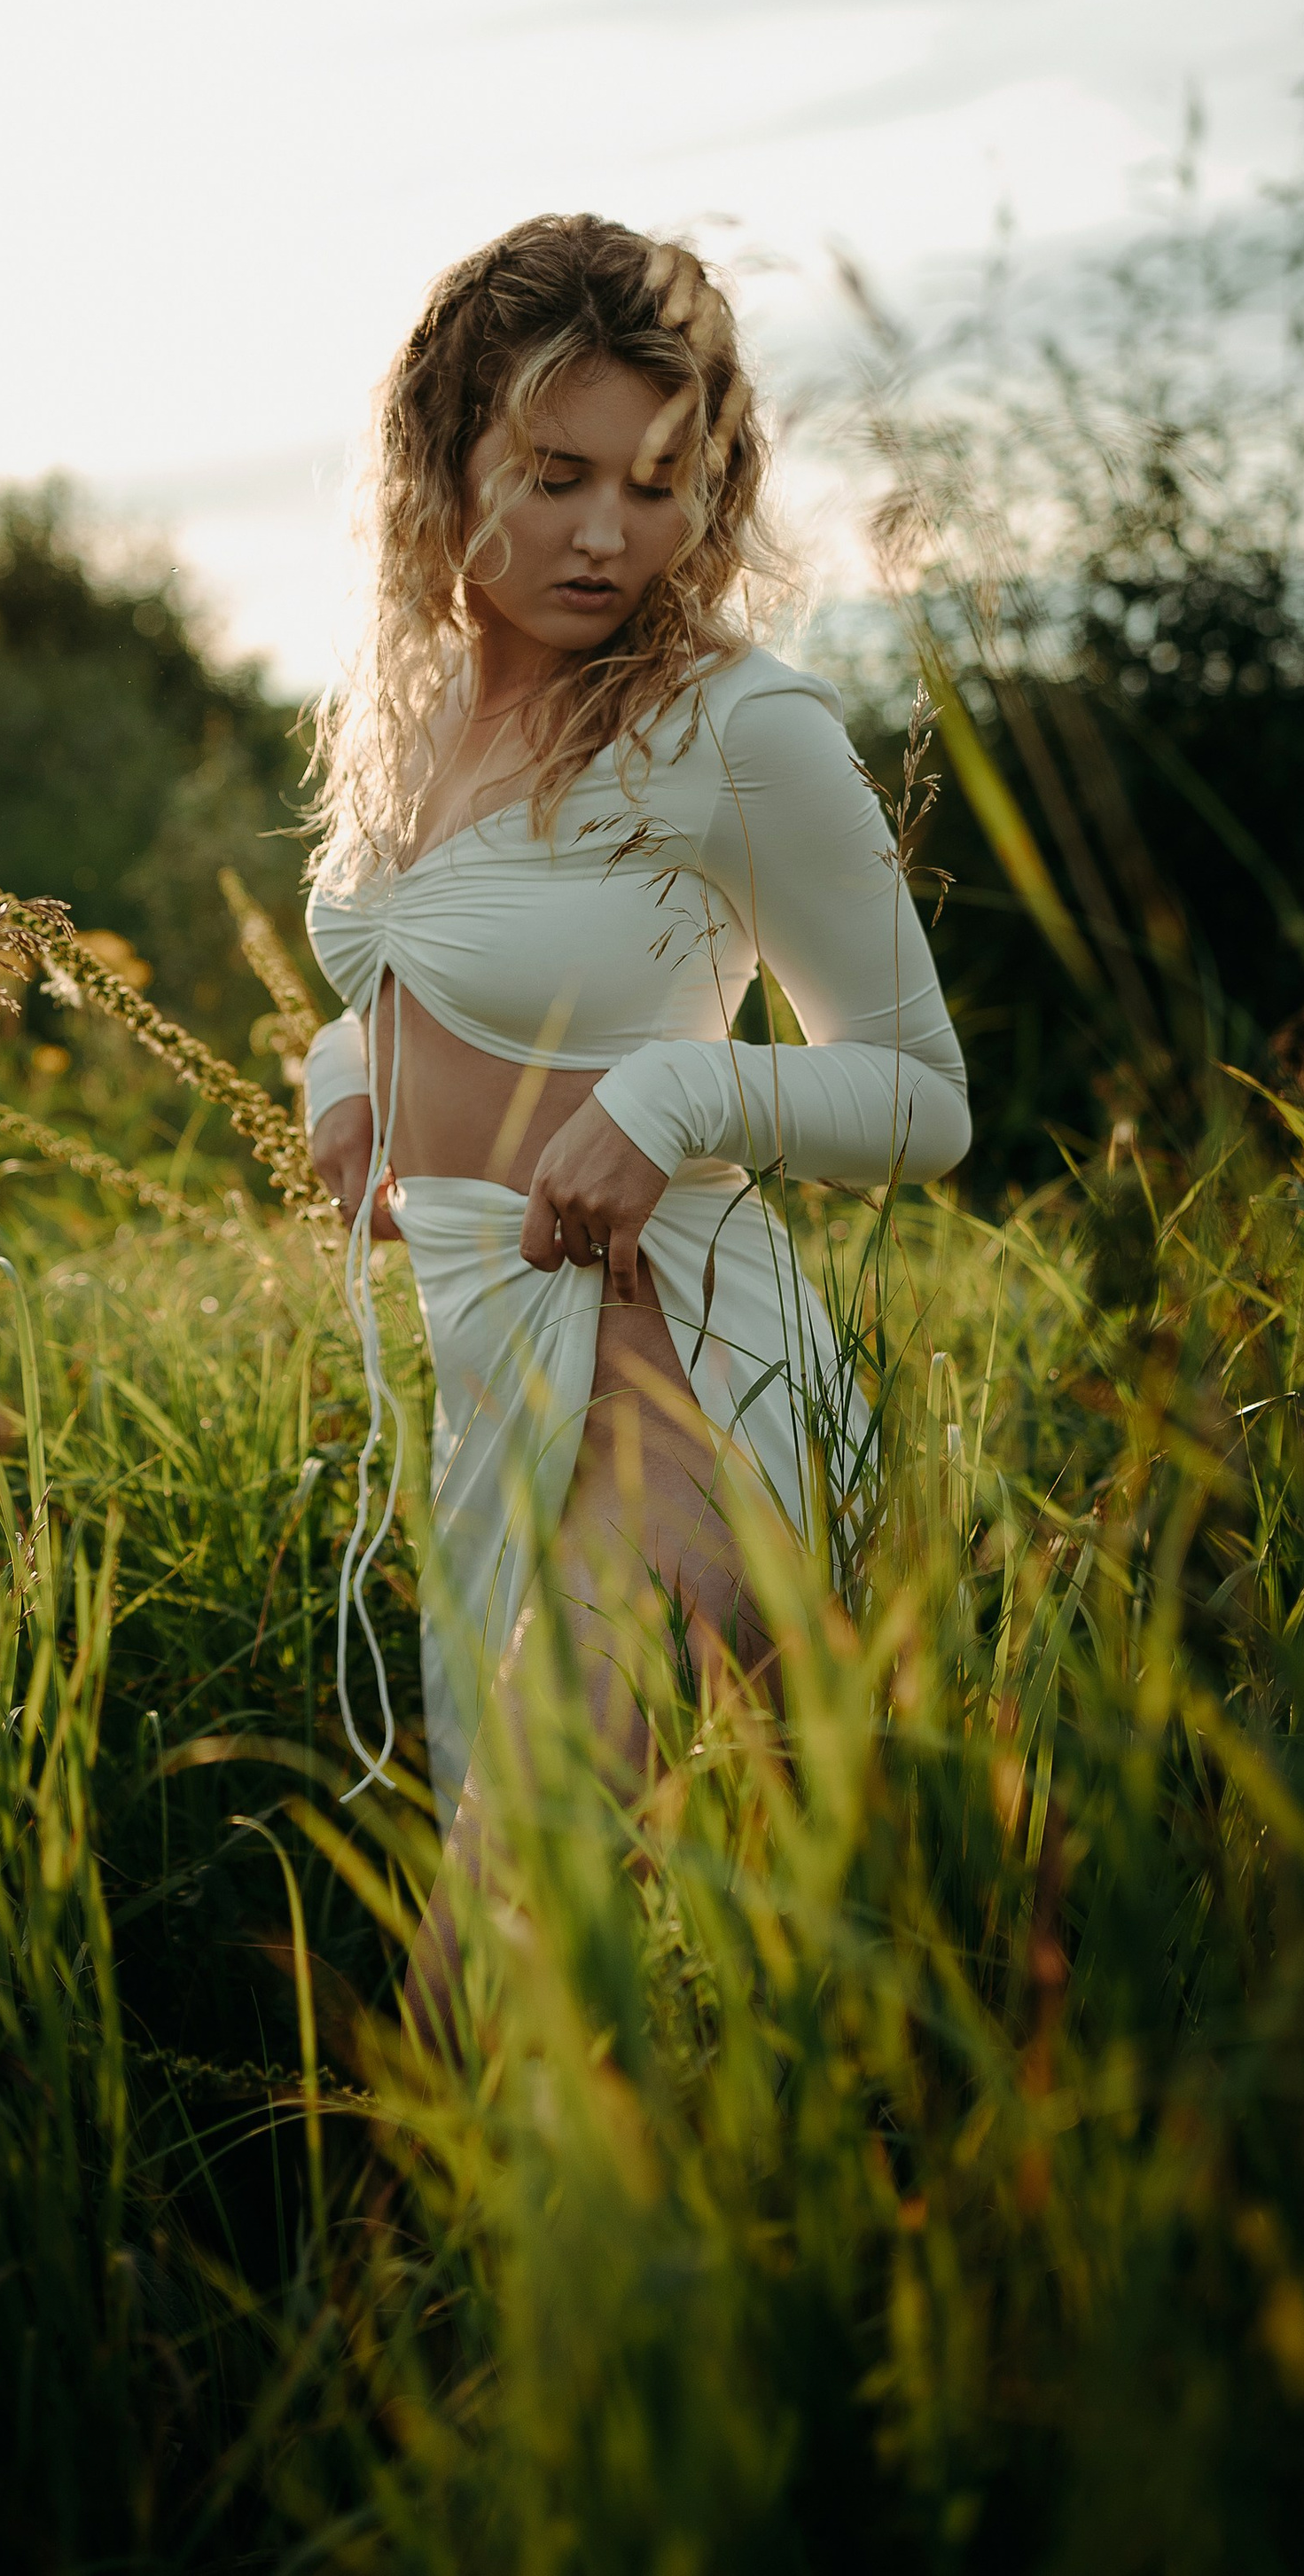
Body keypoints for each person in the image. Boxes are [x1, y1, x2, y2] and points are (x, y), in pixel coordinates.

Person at [301, 213, 969, 2039]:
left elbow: (919, 1095)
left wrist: (672, 1090)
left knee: (487, 1953)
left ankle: (345, 2301)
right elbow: (413, 964)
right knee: (591, 1993)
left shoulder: (739, 731)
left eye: (659, 482)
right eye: (554, 473)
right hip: (486, 1370)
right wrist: (343, 1083)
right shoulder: (408, 714)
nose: (607, 531)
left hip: (668, 1365)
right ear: (444, 464)